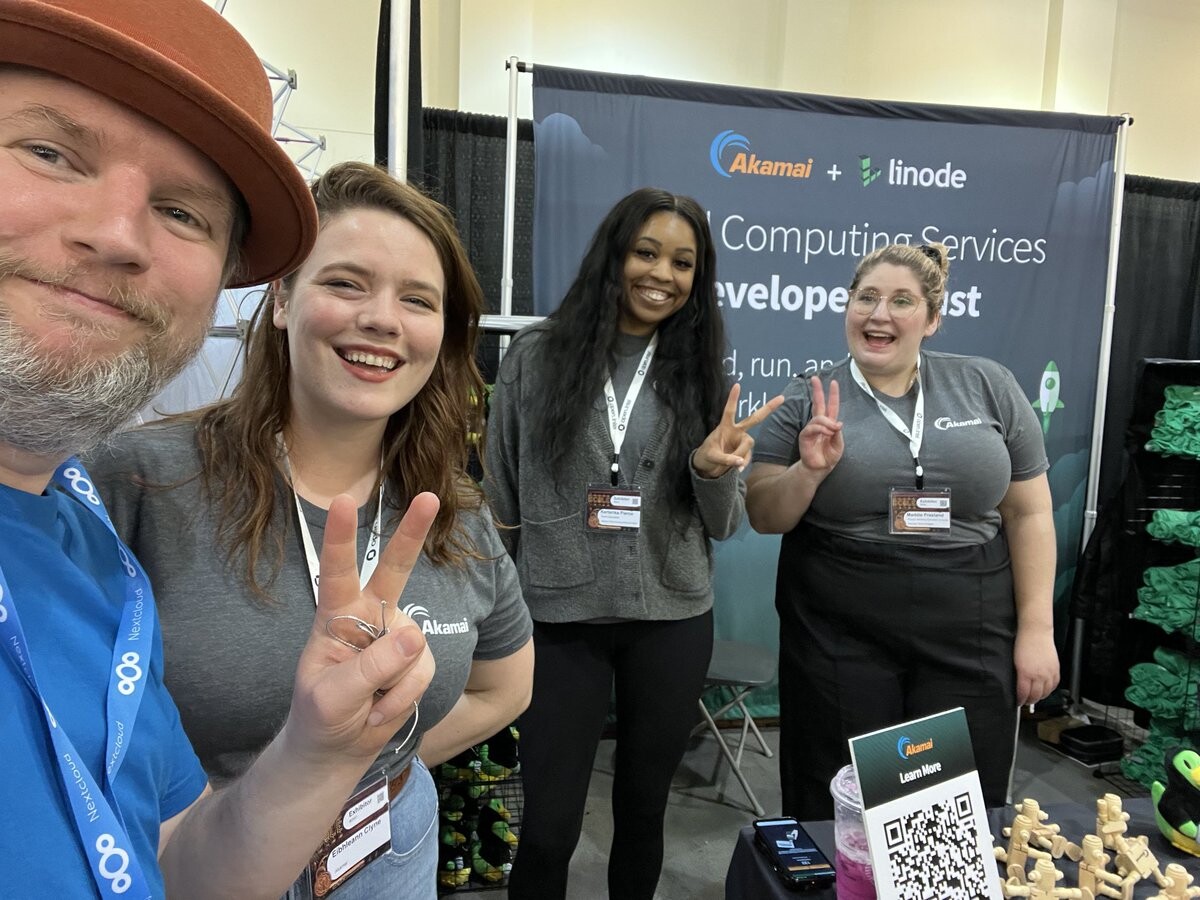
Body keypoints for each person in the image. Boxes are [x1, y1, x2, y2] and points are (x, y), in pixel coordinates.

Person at [0, 2, 437, 898]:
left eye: (182, 212)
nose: (118, 235)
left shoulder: (87, 545)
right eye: (50, 153)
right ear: (278, 305)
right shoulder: (141, 480)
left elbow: (165, 859)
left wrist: (320, 752)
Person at [88, 161, 534, 898]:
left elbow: (504, 686)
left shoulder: (451, 511)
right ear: (283, 300)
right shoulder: (137, 480)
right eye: (347, 283)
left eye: (417, 299)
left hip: (389, 850)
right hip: (189, 861)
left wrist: (363, 767)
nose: (383, 319)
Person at [485, 187, 781, 899]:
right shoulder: (536, 356)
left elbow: (723, 523)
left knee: (644, 810)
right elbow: (500, 494)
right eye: (646, 252)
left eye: (683, 262)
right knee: (548, 827)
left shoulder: (698, 368)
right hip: (558, 618)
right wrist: (493, 614)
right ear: (614, 255)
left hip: (671, 619)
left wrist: (712, 472)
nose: (662, 275)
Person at [745, 242, 1060, 819]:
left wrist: (1037, 630)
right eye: (866, 297)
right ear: (847, 307)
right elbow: (766, 516)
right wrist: (807, 472)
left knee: (949, 801)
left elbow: (1029, 514)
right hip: (841, 628)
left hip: (969, 624)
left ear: (932, 319)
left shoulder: (986, 384)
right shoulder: (808, 396)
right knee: (842, 797)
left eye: (901, 301)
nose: (879, 314)